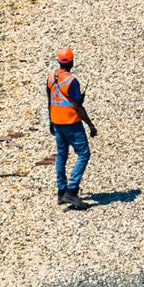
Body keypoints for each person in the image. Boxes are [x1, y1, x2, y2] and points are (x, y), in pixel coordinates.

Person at [46, 47, 96, 209]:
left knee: (61, 155)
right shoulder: (72, 81)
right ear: (72, 62)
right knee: (83, 154)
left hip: (57, 121)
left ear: (58, 61)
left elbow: (50, 100)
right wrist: (90, 124)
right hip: (72, 123)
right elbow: (77, 107)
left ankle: (61, 192)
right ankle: (72, 190)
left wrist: (51, 121)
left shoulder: (51, 77)